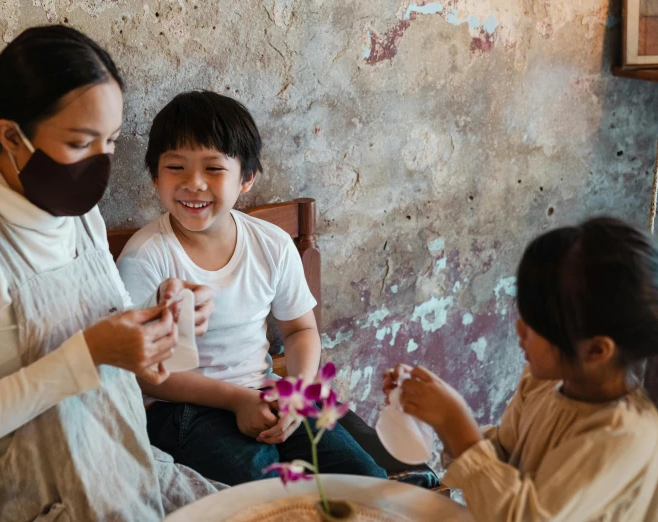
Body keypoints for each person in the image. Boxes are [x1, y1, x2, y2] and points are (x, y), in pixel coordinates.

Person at [0, 25, 222, 522]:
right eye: (79, 142)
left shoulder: (80, 218)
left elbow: (108, 344)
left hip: (118, 471)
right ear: (11, 135)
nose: (98, 162)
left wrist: (161, 318)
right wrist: (90, 354)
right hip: (24, 502)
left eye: (110, 142)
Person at [116, 90, 386, 485]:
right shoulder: (147, 258)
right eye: (176, 167)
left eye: (213, 168)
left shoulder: (270, 244)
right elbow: (143, 372)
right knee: (264, 490)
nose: (193, 183)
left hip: (268, 393)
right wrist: (238, 400)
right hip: (182, 407)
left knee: (363, 479)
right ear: (155, 176)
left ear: (246, 178)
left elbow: (300, 330)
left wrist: (298, 390)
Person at [383, 217, 658, 521]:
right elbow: (505, 459)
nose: (518, 328)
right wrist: (436, 413)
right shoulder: (544, 384)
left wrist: (453, 419)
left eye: (534, 325)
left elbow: (521, 515)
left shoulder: (622, 437)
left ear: (595, 349)